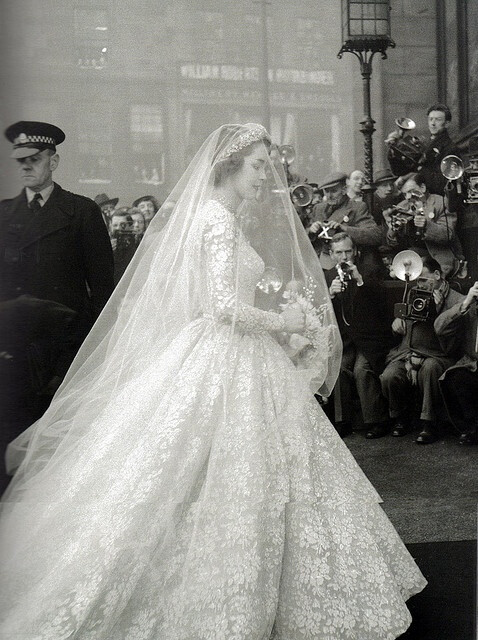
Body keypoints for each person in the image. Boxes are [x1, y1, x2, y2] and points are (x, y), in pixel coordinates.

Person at [0, 123, 425, 639]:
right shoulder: (217, 221)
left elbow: (220, 301)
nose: (265, 176)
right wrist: (286, 322)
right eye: (257, 167)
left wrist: (277, 319)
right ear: (227, 166)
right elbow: (221, 306)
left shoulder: (213, 217)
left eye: (268, 167)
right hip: (224, 353)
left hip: (226, 352)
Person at [0, 121, 114, 490]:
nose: (26, 166)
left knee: (56, 444)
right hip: (12, 348)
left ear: (54, 161)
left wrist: (90, 349)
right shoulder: (4, 214)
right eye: (21, 161)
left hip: (63, 350)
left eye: (35, 159)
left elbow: (102, 288)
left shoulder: (80, 212)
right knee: (11, 436)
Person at [380, 255, 463, 444]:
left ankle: (428, 423)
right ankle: (400, 418)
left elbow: (453, 340)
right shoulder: (413, 293)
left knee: (430, 369)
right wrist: (397, 323)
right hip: (407, 351)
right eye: (418, 280)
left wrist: (439, 310)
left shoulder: (457, 300)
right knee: (389, 375)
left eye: (424, 279)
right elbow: (404, 325)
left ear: (437, 274)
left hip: (438, 354)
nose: (421, 285)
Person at [324, 233, 395, 439]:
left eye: (348, 251)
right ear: (331, 254)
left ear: (355, 252)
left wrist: (360, 281)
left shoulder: (369, 272)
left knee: (362, 369)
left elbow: (381, 307)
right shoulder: (326, 276)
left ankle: (376, 421)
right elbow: (320, 311)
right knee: (339, 368)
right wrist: (330, 295)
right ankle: (342, 421)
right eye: (339, 252)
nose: (344, 256)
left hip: (368, 339)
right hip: (344, 340)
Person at [383, 172, 463, 278]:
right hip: (413, 258)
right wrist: (392, 230)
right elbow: (391, 243)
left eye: (411, 192)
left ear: (422, 187)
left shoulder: (441, 203)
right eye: (404, 194)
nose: (407, 197)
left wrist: (426, 225)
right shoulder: (402, 206)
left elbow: (448, 235)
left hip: (439, 259)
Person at [307, 171, 383, 273]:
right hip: (320, 265)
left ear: (344, 190)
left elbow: (375, 235)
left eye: (333, 191)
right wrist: (311, 231)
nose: (329, 195)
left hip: (346, 266)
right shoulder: (318, 208)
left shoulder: (357, 207)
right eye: (326, 191)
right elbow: (304, 239)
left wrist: (344, 229)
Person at [435, 281, 478, 445]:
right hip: (473, 363)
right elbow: (440, 328)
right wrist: (466, 303)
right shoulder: (470, 307)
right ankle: (471, 428)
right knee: (457, 377)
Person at [385, 103, 459, 197]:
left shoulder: (450, 148)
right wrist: (393, 149)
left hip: (436, 200)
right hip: (418, 197)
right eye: (430, 119)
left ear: (447, 124)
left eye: (438, 120)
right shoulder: (425, 143)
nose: (432, 123)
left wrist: (419, 168)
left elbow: (442, 184)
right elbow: (399, 171)